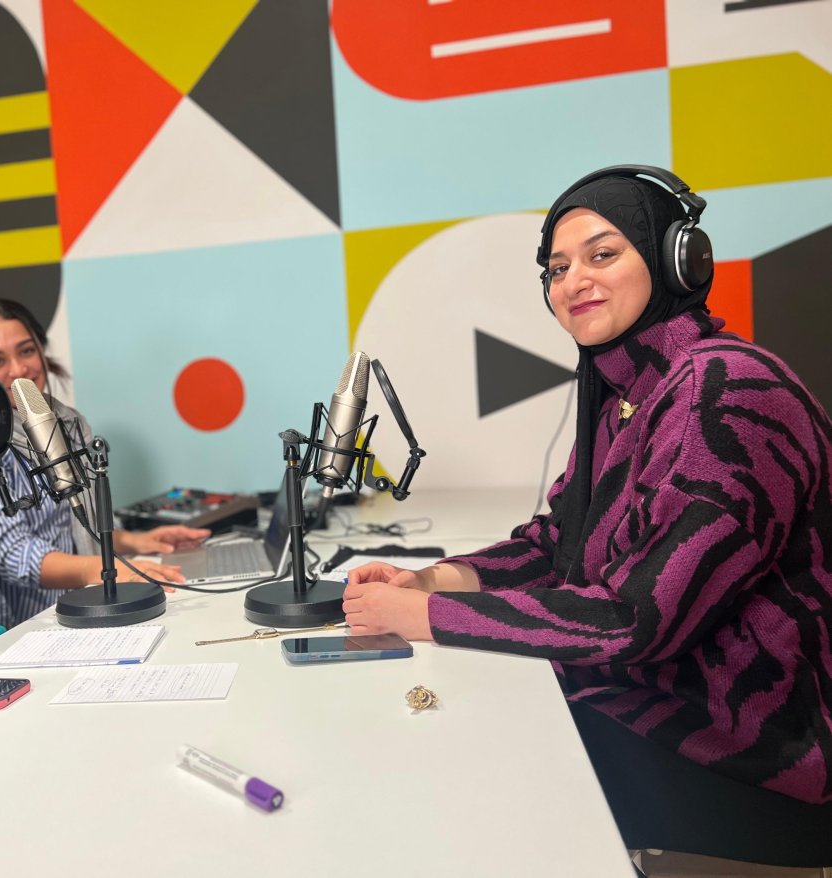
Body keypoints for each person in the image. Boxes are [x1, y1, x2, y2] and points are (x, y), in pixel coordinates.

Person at [342, 167, 832, 862]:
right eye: (557, 268)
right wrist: (434, 583)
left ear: (677, 260)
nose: (573, 282)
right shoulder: (628, 391)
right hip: (659, 707)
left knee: (458, 757)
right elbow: (555, 543)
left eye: (603, 254)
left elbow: (643, 621)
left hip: (757, 759)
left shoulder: (726, 389)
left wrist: (425, 621)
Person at [0, 299, 208, 645]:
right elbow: (13, 554)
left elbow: (80, 525)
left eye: (26, 351)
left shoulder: (67, 422)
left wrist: (139, 541)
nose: (17, 369)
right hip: (10, 634)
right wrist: (104, 570)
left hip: (77, 614)